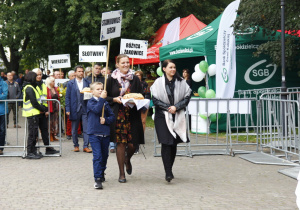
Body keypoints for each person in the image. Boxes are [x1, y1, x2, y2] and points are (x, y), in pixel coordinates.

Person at [151, 59, 191, 182]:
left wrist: (176, 107)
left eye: (174, 67)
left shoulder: (181, 82)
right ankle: (168, 172)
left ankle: (170, 168)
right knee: (166, 142)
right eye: (170, 67)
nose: (173, 69)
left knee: (173, 143)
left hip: (177, 114)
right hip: (162, 116)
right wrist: (168, 108)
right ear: (164, 69)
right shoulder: (158, 83)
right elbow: (156, 100)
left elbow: (187, 97)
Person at [106, 54, 144, 183]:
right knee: (121, 143)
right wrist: (114, 99)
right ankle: (121, 173)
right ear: (117, 64)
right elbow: (105, 97)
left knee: (133, 144)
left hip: (132, 114)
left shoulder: (135, 79)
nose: (126, 65)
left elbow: (141, 94)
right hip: (118, 114)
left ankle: (127, 159)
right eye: (123, 63)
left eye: (127, 62)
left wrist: (137, 100)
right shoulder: (111, 79)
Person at [87, 82, 115, 189]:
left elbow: (112, 117)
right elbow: (96, 110)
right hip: (94, 133)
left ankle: (102, 171)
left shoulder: (105, 103)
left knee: (104, 155)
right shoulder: (90, 102)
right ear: (92, 91)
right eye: (98, 89)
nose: (100, 91)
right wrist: (102, 99)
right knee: (97, 156)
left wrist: (106, 120)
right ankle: (97, 178)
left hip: (105, 133)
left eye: (101, 89)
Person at [65, 65, 92, 153]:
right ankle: (76, 145)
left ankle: (85, 146)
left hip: (85, 107)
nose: (81, 73)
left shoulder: (87, 82)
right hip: (74, 108)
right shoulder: (70, 83)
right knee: (74, 129)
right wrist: (68, 109)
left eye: (82, 71)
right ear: (75, 72)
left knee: (86, 128)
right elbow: (67, 97)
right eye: (79, 71)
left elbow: (90, 95)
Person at [22, 72, 49, 159]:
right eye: (35, 76)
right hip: (32, 113)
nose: (37, 77)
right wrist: (43, 109)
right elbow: (34, 103)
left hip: (34, 113)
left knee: (34, 134)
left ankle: (33, 151)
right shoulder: (29, 88)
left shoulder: (32, 87)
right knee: (32, 134)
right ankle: (30, 152)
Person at [33, 69, 59, 154]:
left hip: (42, 111)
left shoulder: (43, 85)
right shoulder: (31, 85)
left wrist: (45, 109)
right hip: (34, 112)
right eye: (37, 75)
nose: (39, 76)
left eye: (40, 74)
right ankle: (32, 150)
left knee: (44, 130)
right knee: (34, 132)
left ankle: (48, 148)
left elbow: (44, 99)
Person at [134, 70, 150, 154]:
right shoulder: (132, 83)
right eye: (136, 75)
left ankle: (141, 135)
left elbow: (147, 94)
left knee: (143, 121)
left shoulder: (144, 84)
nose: (137, 76)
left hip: (143, 103)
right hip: (134, 104)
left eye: (139, 75)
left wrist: (145, 102)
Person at [45, 77, 60, 142]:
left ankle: (54, 135)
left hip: (55, 107)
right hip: (50, 107)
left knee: (55, 122)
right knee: (50, 122)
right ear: (49, 82)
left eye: (54, 81)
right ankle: (50, 135)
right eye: (53, 81)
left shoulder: (56, 88)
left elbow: (58, 96)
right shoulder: (47, 89)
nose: (54, 83)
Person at [0, 76, 8, 155]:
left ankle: (1, 148)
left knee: (2, 130)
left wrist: (1, 95)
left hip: (2, 111)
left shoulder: (3, 83)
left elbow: (4, 95)